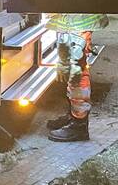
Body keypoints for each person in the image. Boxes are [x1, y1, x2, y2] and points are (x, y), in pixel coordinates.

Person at [45, 13, 109, 142]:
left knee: (76, 71)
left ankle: (79, 124)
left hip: (76, 21)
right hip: (74, 21)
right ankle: (74, 116)